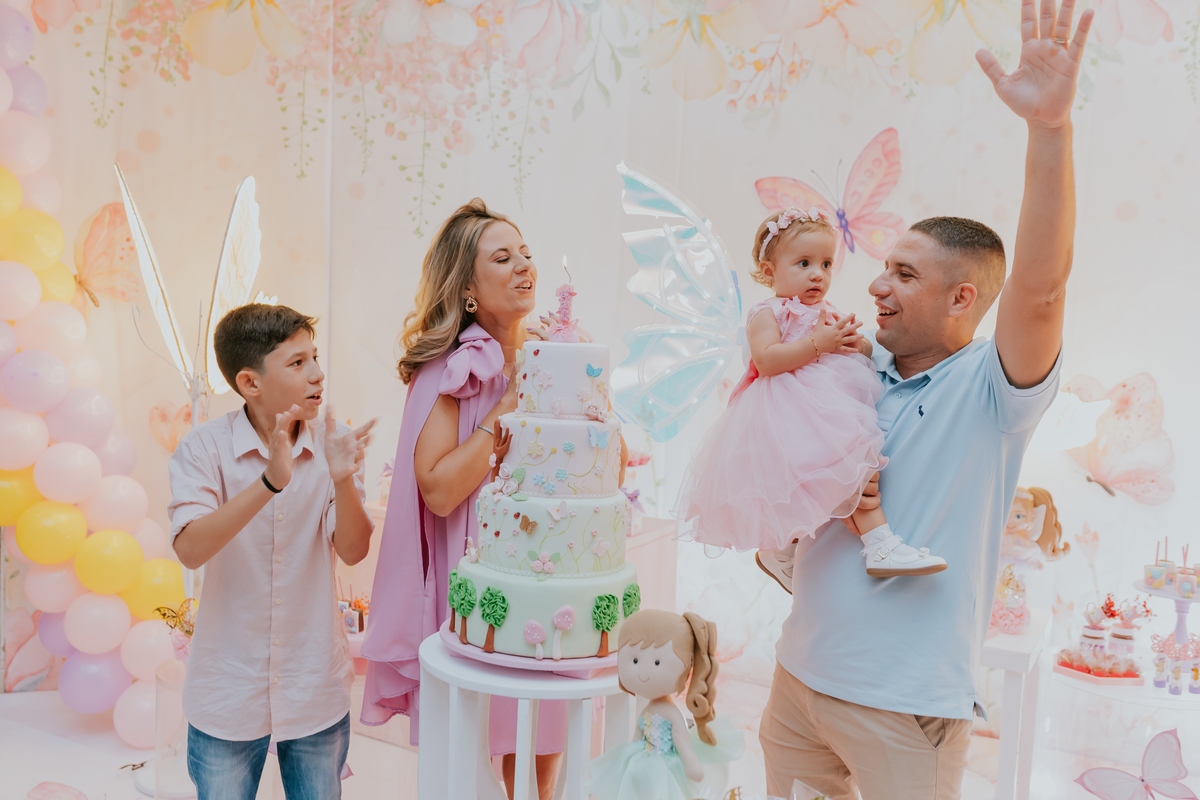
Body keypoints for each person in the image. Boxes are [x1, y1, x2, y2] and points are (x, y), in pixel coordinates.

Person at [758, 1, 1094, 797]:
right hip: (796, 687)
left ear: (963, 301)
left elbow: (1041, 291)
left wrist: (1050, 132)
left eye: (905, 275)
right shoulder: (848, 362)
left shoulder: (991, 390)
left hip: (903, 713)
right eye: (885, 266)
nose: (876, 284)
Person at [361, 199, 566, 800]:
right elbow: (441, 490)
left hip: (547, 569)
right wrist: (505, 407)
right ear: (469, 290)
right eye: (503, 257)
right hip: (480, 578)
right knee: (483, 740)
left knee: (548, 719)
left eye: (526, 252)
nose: (525, 265)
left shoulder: (551, 355)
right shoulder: (451, 372)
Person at [673, 206, 948, 585]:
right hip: (787, 410)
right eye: (803, 263)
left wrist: (855, 345)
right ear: (770, 272)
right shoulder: (767, 313)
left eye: (826, 264)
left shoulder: (825, 310)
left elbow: (849, 351)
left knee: (845, 473)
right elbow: (767, 360)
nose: (818, 274)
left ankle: (790, 551)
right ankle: (877, 543)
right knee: (831, 473)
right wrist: (819, 342)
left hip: (826, 403)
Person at [168, 304, 375, 800]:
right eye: (298, 363)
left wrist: (343, 480)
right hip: (227, 690)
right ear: (250, 382)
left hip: (314, 687)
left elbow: (353, 549)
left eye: (315, 358)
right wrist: (269, 483)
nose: (318, 374)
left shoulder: (333, 443)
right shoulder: (203, 449)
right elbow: (191, 549)